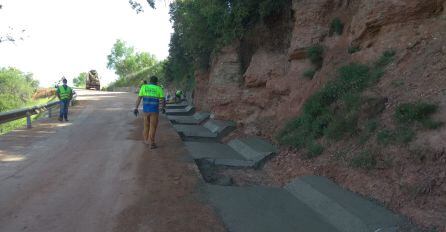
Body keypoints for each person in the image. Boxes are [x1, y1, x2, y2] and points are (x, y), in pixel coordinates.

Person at [134, 76, 165, 149]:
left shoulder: (144, 87)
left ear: (149, 81)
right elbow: (162, 100)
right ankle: (151, 143)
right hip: (154, 111)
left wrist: (136, 108)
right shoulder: (159, 88)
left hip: (146, 111)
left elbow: (139, 98)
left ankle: (146, 141)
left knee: (146, 126)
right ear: (156, 82)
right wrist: (163, 108)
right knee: (153, 127)